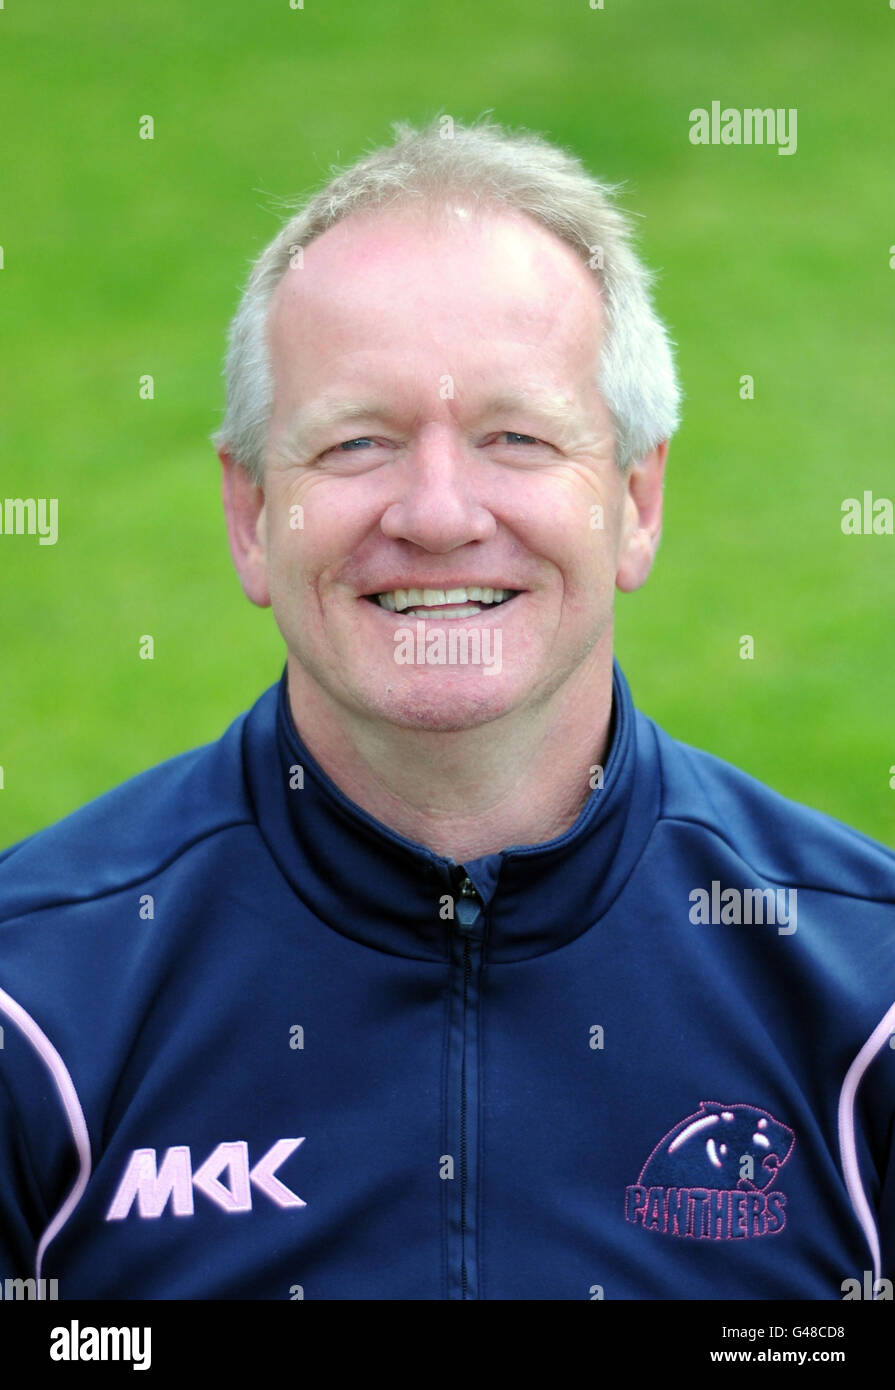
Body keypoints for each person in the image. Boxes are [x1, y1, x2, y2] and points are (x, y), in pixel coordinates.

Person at [0, 116, 892, 1302]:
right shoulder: (36, 1005)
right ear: (250, 513)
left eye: (515, 438)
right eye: (358, 441)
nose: (434, 511)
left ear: (634, 498)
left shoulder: (864, 994)